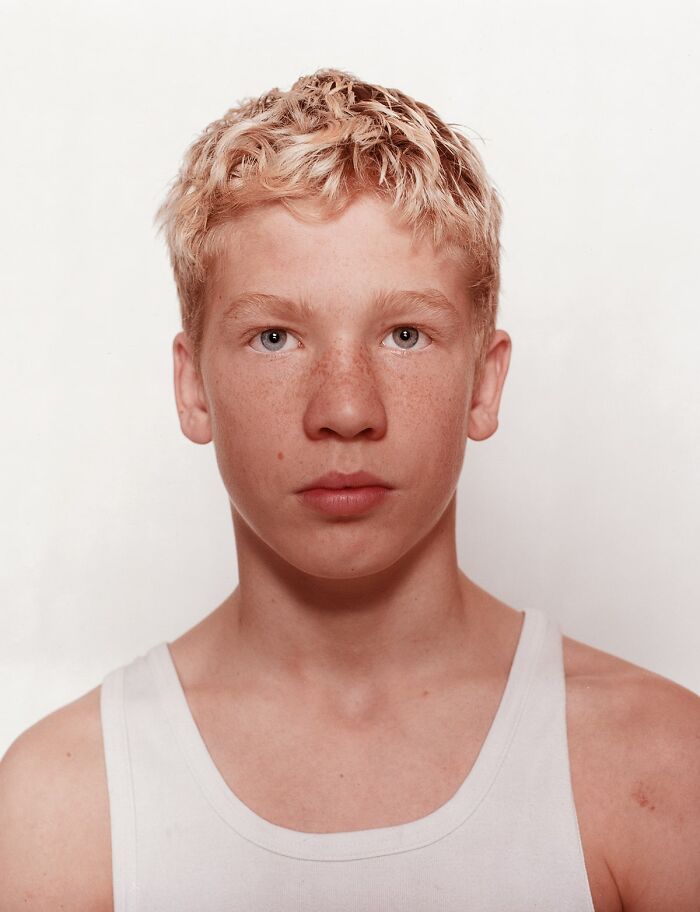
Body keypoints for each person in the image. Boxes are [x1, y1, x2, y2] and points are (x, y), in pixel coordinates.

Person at [1, 69, 698, 912]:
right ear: (192, 388)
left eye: (405, 334)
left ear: (485, 382)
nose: (344, 409)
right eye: (274, 337)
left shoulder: (660, 768)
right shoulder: (60, 806)